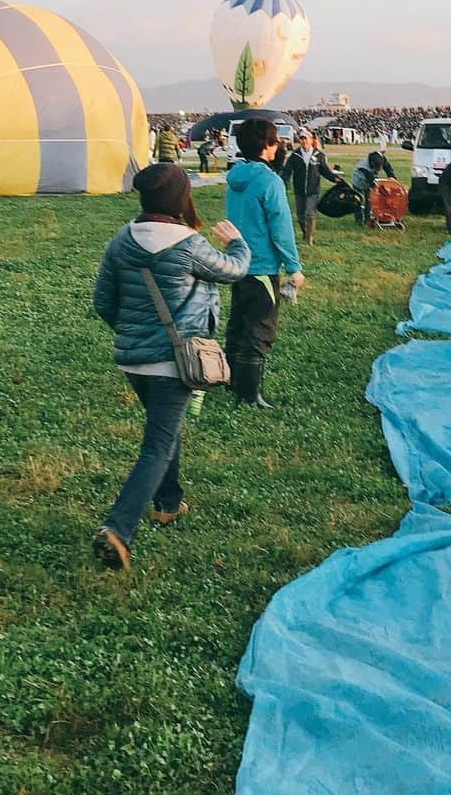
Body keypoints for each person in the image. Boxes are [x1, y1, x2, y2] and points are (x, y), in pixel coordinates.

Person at [91, 163, 249, 570]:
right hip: (176, 363)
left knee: (166, 427)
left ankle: (168, 502)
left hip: (135, 362)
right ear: (181, 198)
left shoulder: (121, 240)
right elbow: (233, 271)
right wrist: (238, 244)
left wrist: (132, 334)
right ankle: (118, 529)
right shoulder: (189, 244)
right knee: (157, 446)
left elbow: (103, 301)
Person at [225, 118, 304, 408]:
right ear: (267, 145)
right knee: (259, 329)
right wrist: (293, 267)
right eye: (275, 141)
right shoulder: (270, 181)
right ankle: (249, 393)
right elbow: (280, 227)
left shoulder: (235, 177)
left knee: (238, 323)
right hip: (261, 267)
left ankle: (231, 380)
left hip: (237, 263)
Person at [284, 126, 340, 244]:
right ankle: (305, 233)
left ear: (311, 139)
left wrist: (335, 179)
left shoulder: (319, 155)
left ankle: (309, 239)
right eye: (301, 139)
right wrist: (283, 181)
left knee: (309, 213)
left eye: (306, 138)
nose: (303, 141)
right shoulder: (295, 155)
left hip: (313, 190)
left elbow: (324, 170)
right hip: (299, 190)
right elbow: (287, 171)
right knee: (300, 215)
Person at [351, 150, 396, 226]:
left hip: (370, 179)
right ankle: (359, 220)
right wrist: (382, 190)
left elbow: (388, 167)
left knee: (369, 201)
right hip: (359, 181)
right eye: (377, 168)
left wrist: (392, 176)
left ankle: (367, 219)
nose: (379, 169)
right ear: (372, 163)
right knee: (358, 201)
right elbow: (372, 182)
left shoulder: (381, 158)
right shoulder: (364, 167)